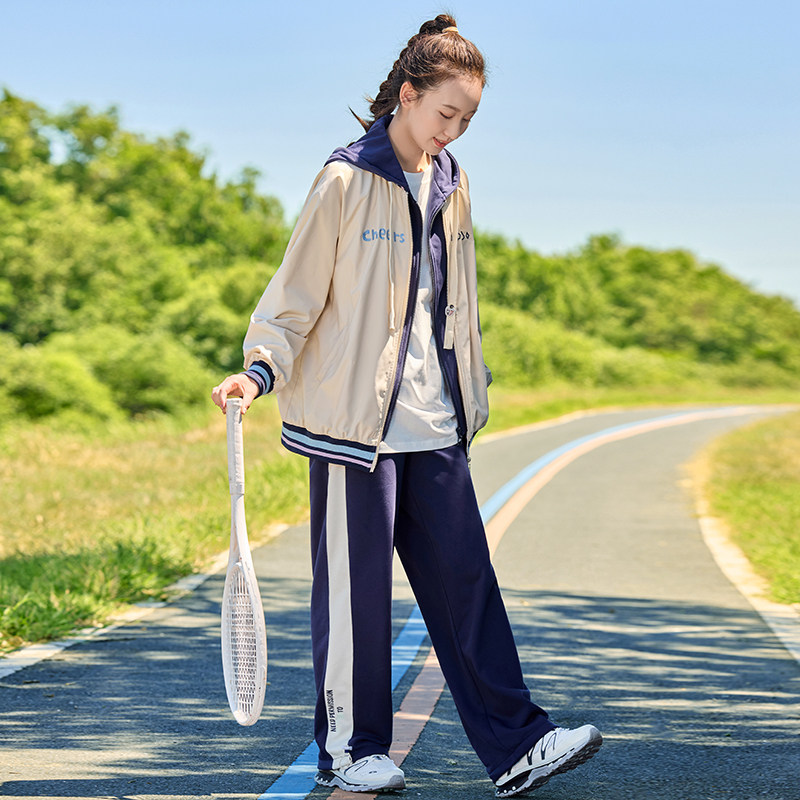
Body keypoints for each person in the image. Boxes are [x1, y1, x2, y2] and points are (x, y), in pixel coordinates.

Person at [211, 14, 602, 797]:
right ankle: (352, 749)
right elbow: (295, 296)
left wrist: (468, 396)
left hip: (435, 423)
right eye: (445, 114)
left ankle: (518, 744)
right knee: (356, 598)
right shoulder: (346, 179)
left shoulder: (452, 181)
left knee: (467, 587)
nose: (454, 131)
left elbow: (446, 307)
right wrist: (258, 370)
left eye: (468, 120)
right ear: (406, 94)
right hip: (354, 430)